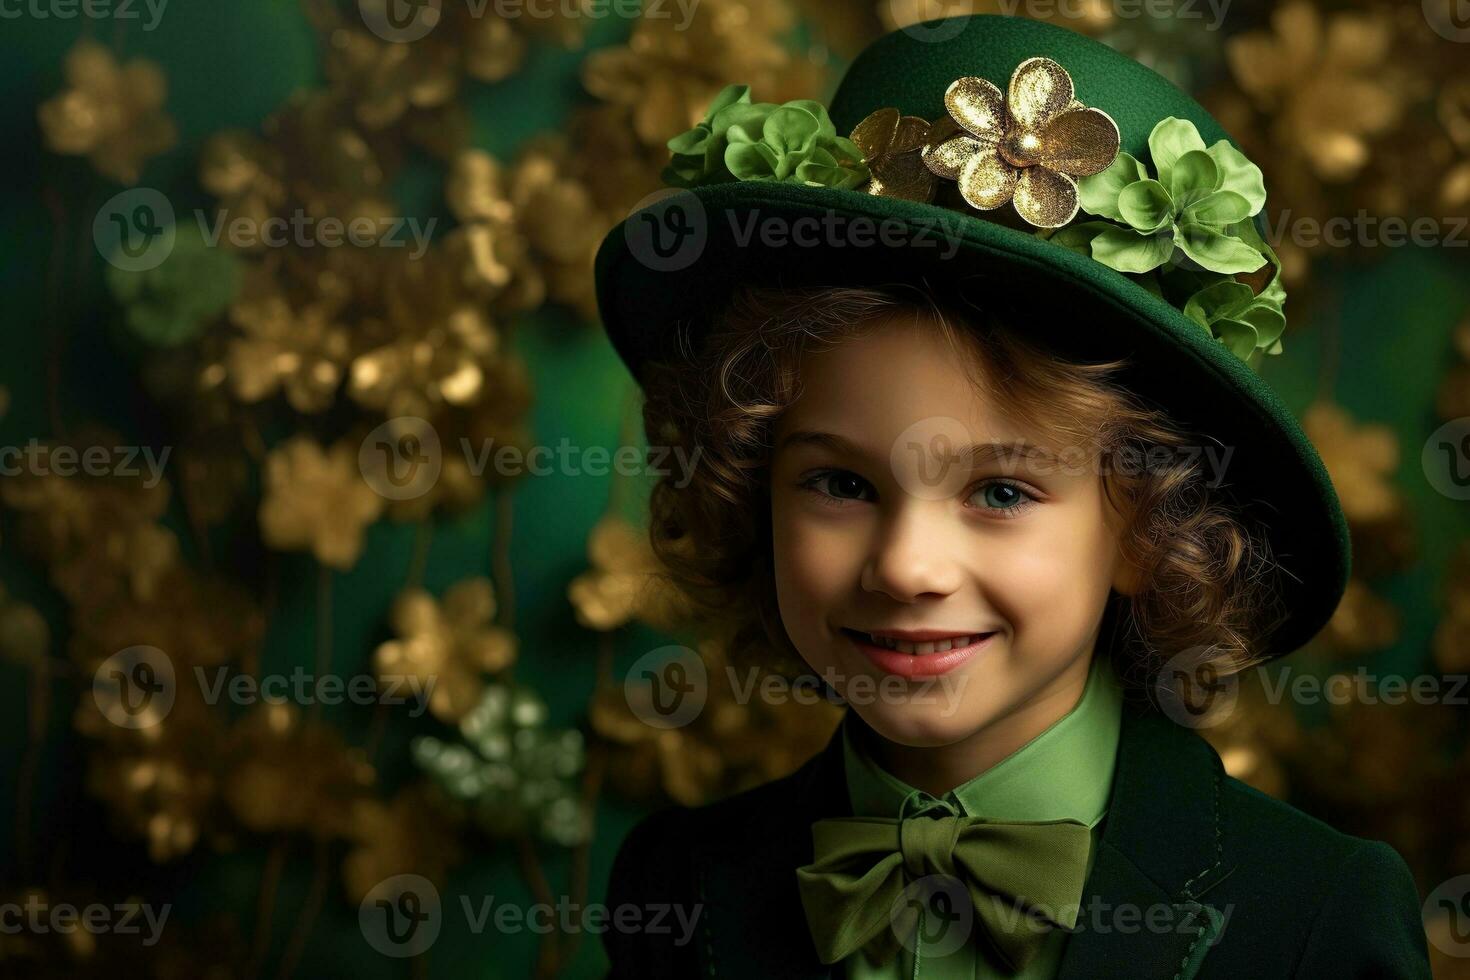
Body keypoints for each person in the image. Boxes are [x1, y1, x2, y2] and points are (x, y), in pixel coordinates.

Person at [593, 14, 1432, 979]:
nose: (908, 566)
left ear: (1144, 528)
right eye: (840, 483)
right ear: (753, 494)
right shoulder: (680, 884)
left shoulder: (1313, 917)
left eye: (999, 491)